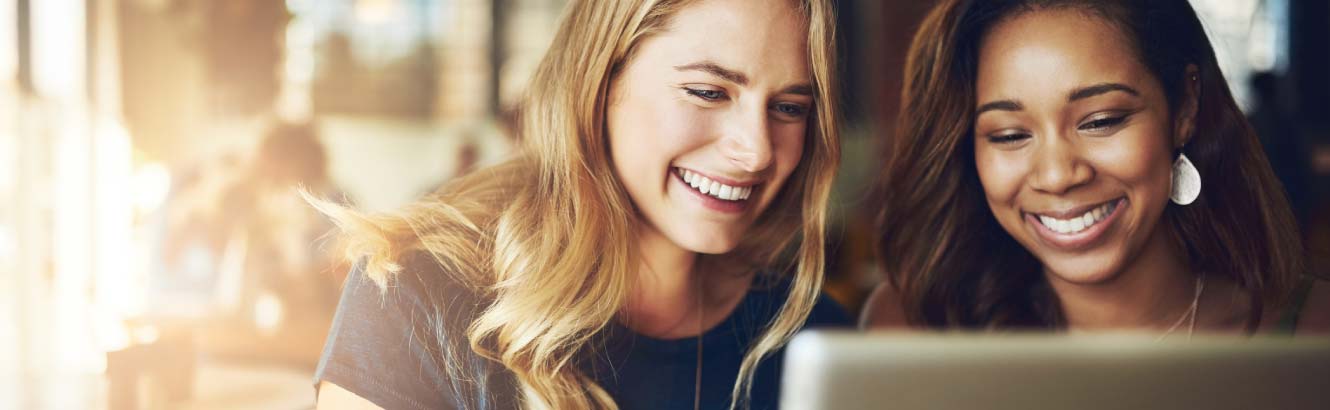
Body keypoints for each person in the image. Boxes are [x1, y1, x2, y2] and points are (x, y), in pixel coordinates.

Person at [312, 0, 848, 409]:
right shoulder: (417, 293)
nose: (756, 151)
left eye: (789, 106)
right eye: (708, 92)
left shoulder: (813, 338)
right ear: (601, 81)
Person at [864, 0, 1328, 335]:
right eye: (1009, 135)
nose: (1057, 175)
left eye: (1101, 121)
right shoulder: (910, 330)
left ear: (1184, 107)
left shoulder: (1311, 333)